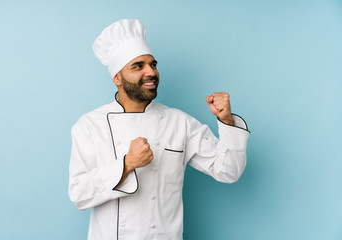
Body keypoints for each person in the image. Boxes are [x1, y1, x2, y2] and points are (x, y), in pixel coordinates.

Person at [68, 19, 250, 240]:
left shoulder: (179, 122)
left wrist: (227, 121)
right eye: (138, 66)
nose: (151, 72)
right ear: (117, 77)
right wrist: (127, 164)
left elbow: (228, 171)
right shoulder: (90, 125)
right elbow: (79, 194)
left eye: (152, 64)